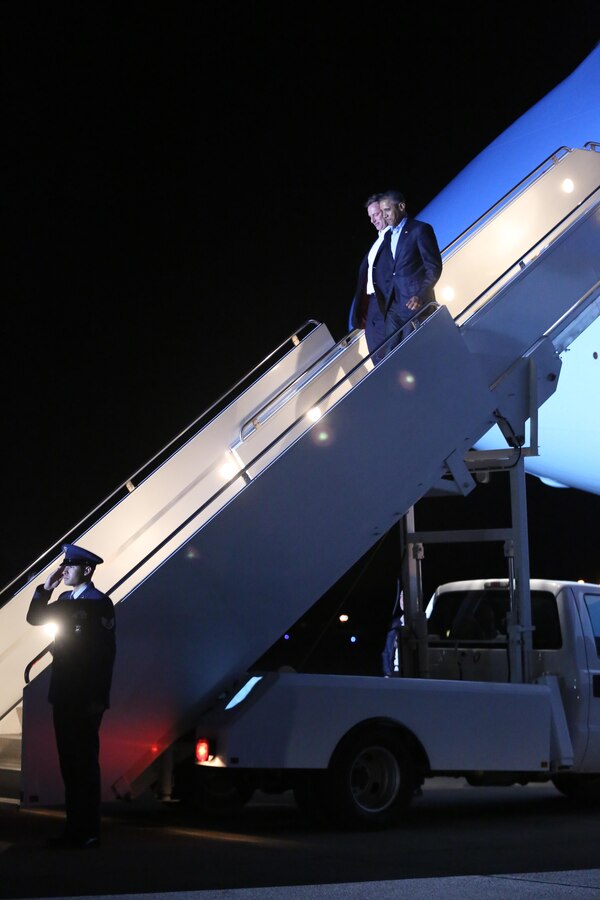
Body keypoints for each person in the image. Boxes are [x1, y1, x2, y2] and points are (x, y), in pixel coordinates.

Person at [26, 543, 116, 849]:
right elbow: (35, 619)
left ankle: (88, 831)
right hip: (63, 694)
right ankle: (73, 829)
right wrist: (45, 589)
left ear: (87, 570)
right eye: (64, 565)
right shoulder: (64, 599)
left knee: (84, 764)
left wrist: (97, 699)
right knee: (69, 764)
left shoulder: (99, 603)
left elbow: (104, 657)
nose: (64, 570)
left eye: (71, 566)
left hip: (85, 699)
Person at [369, 188, 443, 362]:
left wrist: (421, 294)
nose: (384, 215)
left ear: (401, 206)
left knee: (414, 354)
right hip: (394, 307)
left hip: (414, 304)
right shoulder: (388, 237)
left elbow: (433, 267)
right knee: (390, 356)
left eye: (387, 210)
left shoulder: (420, 230)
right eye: (382, 211)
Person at [348, 193, 390, 332]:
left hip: (385, 301)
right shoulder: (376, 243)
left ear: (386, 211)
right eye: (370, 217)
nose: (372, 220)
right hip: (372, 307)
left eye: (376, 214)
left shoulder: (395, 236)